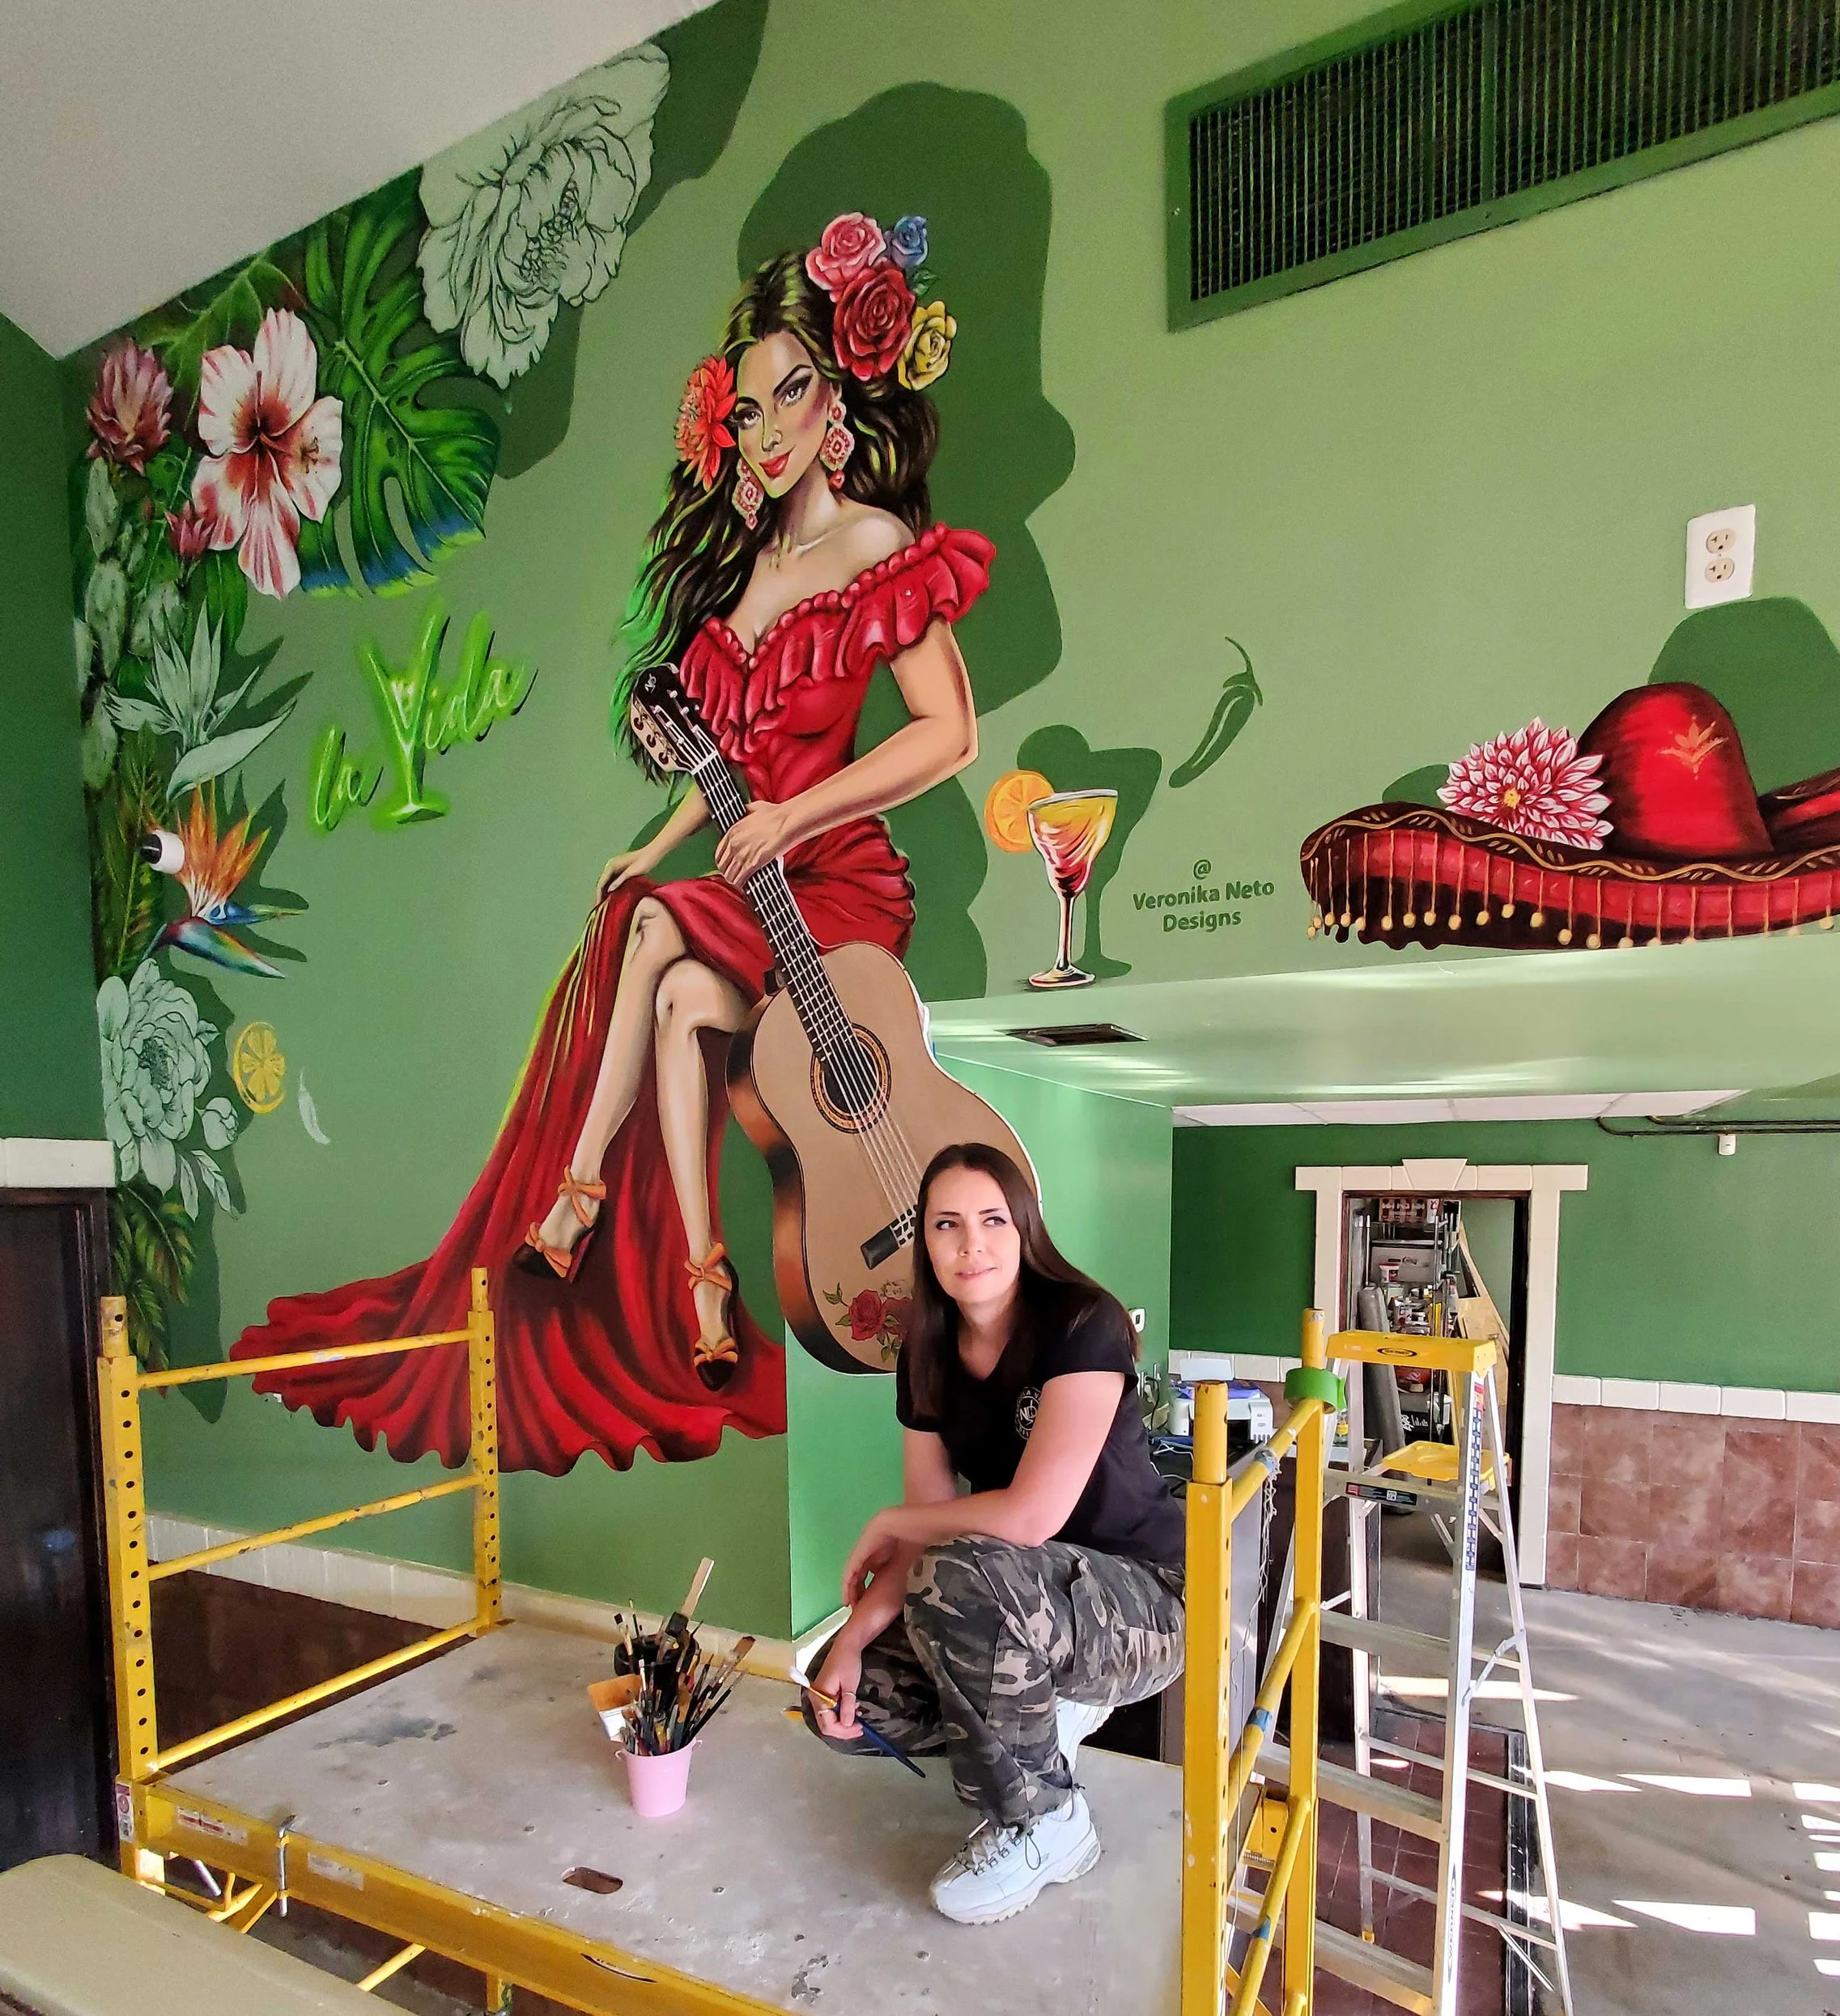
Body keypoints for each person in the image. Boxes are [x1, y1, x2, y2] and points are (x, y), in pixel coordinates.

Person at [231, 214, 992, 1473]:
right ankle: (701, 1278)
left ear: (837, 396)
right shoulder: (747, 577)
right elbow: (728, 764)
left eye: (793, 390)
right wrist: (658, 838)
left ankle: (578, 1191)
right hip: (751, 869)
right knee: (680, 984)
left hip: (835, 885)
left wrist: (794, 818)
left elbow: (950, 734)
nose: (770, 424)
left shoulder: (874, 547)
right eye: (746, 409)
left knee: (650, 938)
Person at [805, 1142, 1187, 1925]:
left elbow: (1028, 1516)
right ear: (925, 1243)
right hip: (1027, 1595)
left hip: (1143, 1601)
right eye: (946, 1224)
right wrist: (849, 1638)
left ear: (1024, 1230)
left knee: (961, 1575)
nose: (969, 1244)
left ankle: (1047, 1821)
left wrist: (887, 1520)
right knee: (854, 1698)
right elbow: (922, 1536)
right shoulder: (927, 1350)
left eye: (991, 1220)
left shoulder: (1085, 1322)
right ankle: (1032, 1718)